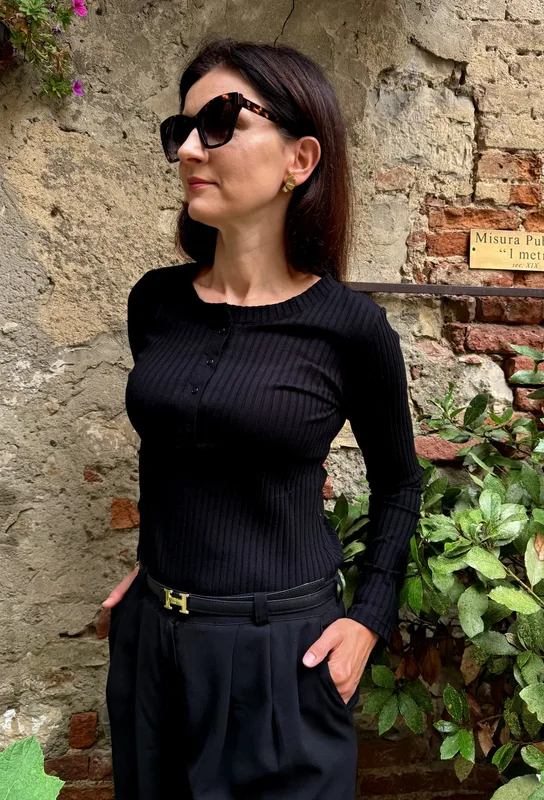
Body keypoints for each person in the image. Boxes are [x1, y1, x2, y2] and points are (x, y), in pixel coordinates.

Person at [102, 36, 423, 800]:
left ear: (299, 159)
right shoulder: (156, 302)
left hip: (281, 657)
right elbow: (181, 451)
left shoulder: (350, 330)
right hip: (154, 649)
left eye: (220, 122)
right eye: (181, 129)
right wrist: (161, 562)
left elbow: (400, 484)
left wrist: (369, 618)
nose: (189, 149)